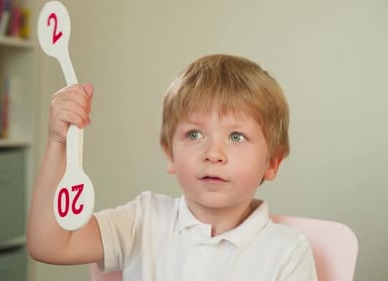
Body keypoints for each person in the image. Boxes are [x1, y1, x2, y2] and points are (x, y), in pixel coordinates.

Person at [27, 54, 318, 280]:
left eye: (236, 136)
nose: (213, 154)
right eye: (194, 134)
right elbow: (50, 244)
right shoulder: (143, 219)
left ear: (272, 162)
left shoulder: (288, 251)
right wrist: (58, 142)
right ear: (170, 154)